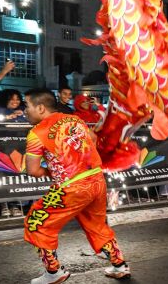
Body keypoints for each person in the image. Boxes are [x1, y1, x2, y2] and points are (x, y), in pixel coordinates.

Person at [22, 88, 130, 283]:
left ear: (40, 107)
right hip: (97, 180)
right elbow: (94, 139)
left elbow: (33, 170)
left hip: (71, 187)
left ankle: (54, 272)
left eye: (26, 106)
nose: (24, 111)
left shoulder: (36, 133)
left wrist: (55, 170)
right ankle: (119, 265)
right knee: (97, 225)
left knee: (36, 223)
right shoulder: (75, 120)